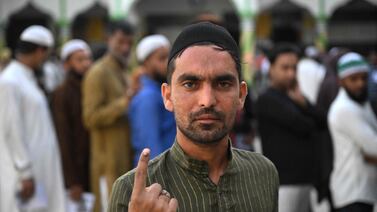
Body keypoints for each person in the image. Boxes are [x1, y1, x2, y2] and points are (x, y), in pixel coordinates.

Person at [108, 22, 279, 212]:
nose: (207, 101)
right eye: (190, 84)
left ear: (241, 95)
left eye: (222, 84)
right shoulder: (132, 192)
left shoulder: (263, 173)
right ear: (167, 96)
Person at [0, 25, 66, 212]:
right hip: (26, 174)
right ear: (39, 51)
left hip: (41, 169)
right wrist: (25, 173)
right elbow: (11, 130)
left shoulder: (26, 79)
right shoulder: (9, 81)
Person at [256, 43, 327, 212]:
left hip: (304, 180)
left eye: (294, 68)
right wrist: (305, 110)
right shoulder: (267, 99)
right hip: (284, 183)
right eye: (285, 68)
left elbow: (323, 121)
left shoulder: (295, 98)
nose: (291, 74)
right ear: (271, 68)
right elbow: (304, 125)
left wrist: (305, 104)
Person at [82, 20, 135, 212]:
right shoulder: (98, 73)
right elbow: (90, 118)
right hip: (107, 165)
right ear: (108, 40)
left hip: (125, 162)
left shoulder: (123, 72)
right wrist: (124, 103)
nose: (125, 48)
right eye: (120, 42)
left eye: (129, 43)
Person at [328, 52, 377, 212]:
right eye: (353, 79)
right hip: (352, 192)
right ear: (341, 81)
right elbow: (373, 147)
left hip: (363, 191)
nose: (360, 84)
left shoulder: (360, 103)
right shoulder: (344, 108)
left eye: (363, 78)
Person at [51, 39, 92, 205]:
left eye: (88, 59)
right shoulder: (61, 94)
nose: (86, 64)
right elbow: (64, 138)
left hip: (91, 164)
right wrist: (72, 181)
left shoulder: (90, 87)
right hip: (76, 170)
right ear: (67, 64)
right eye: (80, 60)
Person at [129, 34, 176, 166]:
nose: (167, 63)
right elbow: (150, 147)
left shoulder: (158, 91)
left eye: (169, 57)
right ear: (145, 62)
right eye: (161, 58)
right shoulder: (147, 97)